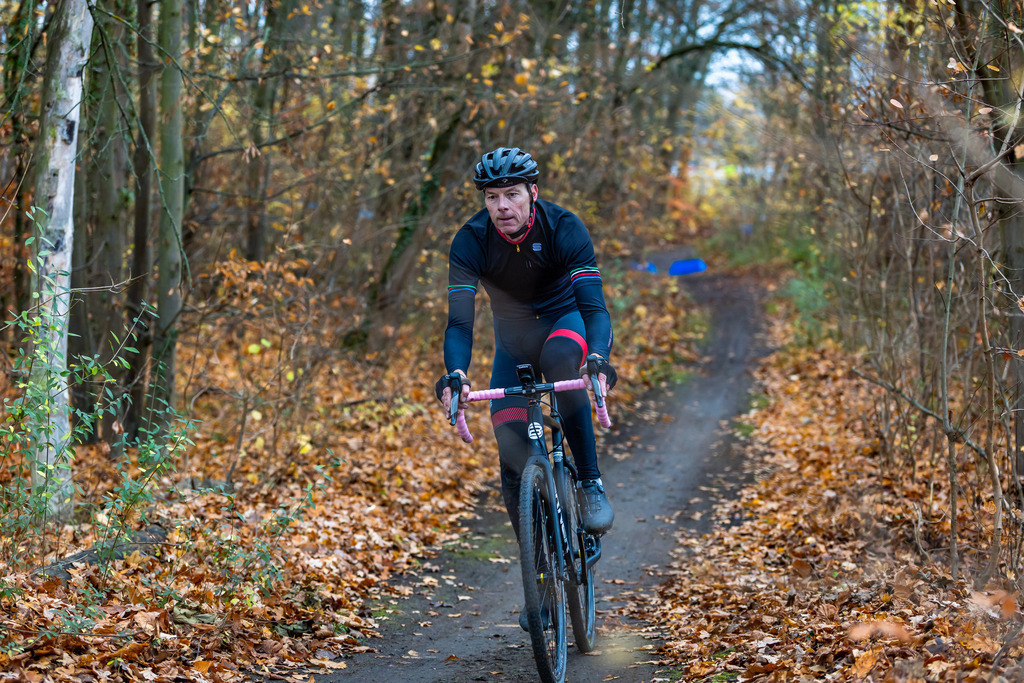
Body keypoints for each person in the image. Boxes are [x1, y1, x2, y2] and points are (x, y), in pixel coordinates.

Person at [435, 146, 617, 598]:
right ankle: (538, 582)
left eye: (512, 195)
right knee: (513, 454)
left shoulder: (564, 227)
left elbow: (594, 308)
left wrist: (596, 358)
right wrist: (455, 374)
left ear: (532, 193)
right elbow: (460, 322)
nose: (502, 207)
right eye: (492, 197)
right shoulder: (471, 240)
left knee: (560, 362)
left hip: (564, 323)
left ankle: (590, 482)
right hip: (512, 343)